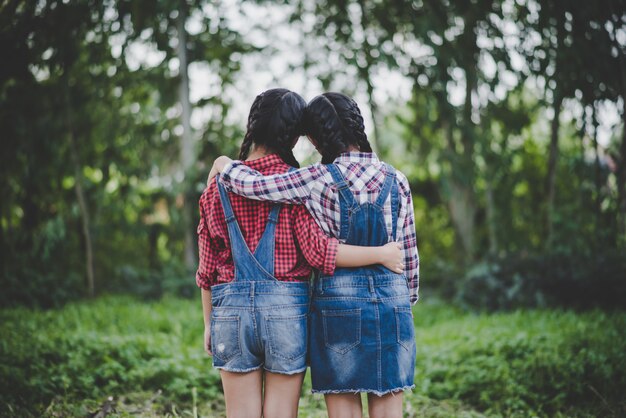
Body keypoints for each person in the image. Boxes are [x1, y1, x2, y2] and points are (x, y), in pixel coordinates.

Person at [207, 92, 419, 418]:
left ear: (318, 141)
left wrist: (224, 165)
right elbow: (409, 257)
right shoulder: (398, 180)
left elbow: (256, 187)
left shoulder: (317, 180)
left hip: (337, 308)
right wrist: (406, 303)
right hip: (391, 306)